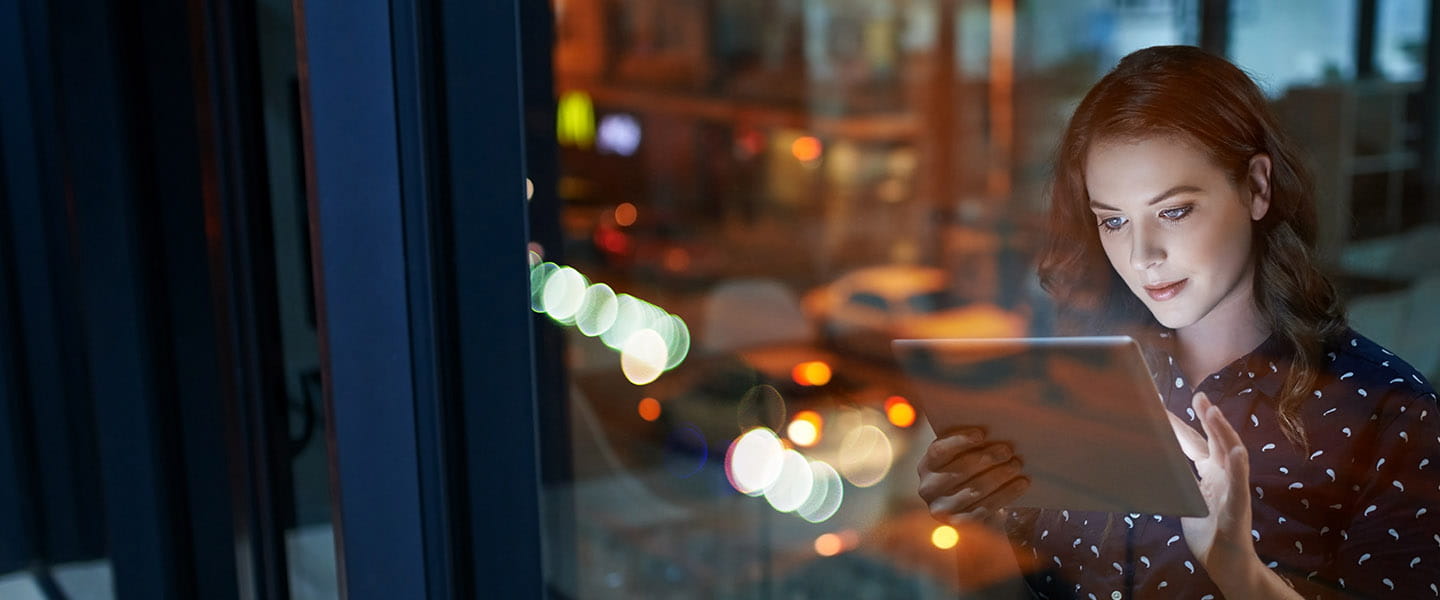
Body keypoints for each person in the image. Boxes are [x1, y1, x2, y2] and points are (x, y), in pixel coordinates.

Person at [917, 45, 1440, 599]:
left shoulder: (1386, 410)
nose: (1142, 255)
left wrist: (1242, 574)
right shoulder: (1083, 383)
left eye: (1173, 211)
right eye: (1114, 221)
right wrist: (974, 514)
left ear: (1256, 187)